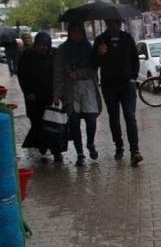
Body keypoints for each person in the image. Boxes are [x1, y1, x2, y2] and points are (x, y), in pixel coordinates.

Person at [94, 19, 143, 165]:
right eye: (111, 23)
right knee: (114, 117)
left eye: (117, 23)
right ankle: (118, 145)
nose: (114, 26)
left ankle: (135, 150)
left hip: (127, 85)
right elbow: (94, 63)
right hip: (109, 86)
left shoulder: (127, 38)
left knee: (130, 116)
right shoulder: (100, 40)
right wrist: (99, 53)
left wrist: (133, 76)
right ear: (107, 24)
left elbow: (135, 59)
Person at [54, 23, 100, 166]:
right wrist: (57, 93)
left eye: (79, 32)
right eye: (73, 32)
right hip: (70, 90)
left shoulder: (89, 48)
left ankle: (90, 143)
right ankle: (80, 153)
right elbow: (58, 73)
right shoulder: (63, 50)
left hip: (88, 88)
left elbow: (94, 68)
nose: (76, 35)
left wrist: (78, 73)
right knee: (73, 122)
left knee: (91, 119)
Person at [18, 32, 63, 162]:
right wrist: (28, 92)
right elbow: (22, 75)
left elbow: (58, 74)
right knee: (37, 123)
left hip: (50, 96)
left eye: (45, 45)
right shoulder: (27, 55)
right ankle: (41, 145)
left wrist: (58, 93)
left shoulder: (54, 55)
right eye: (39, 45)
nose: (42, 48)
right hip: (34, 97)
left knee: (52, 124)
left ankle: (56, 151)